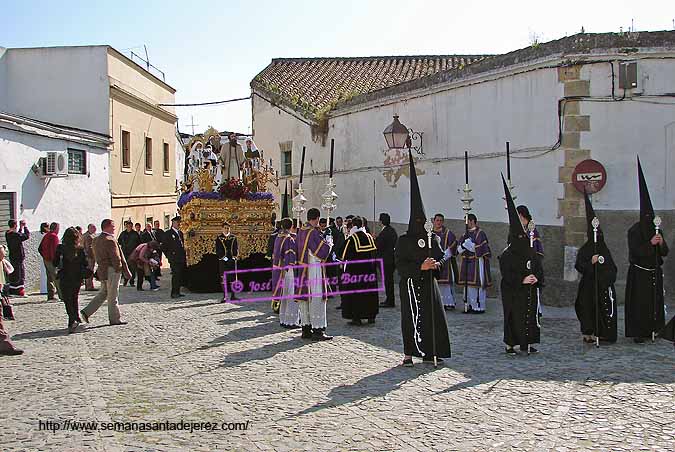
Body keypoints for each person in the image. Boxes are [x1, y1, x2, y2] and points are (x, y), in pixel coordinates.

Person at [396, 150, 451, 367]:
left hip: (429, 284)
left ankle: (430, 352)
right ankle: (409, 353)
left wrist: (435, 264)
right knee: (409, 319)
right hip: (410, 284)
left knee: (431, 319)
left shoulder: (432, 239)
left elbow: (443, 258)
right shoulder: (404, 240)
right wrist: (420, 265)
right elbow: (400, 265)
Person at [499, 175, 544, 355]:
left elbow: (538, 267)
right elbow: (507, 274)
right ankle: (511, 342)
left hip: (529, 289)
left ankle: (529, 341)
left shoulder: (531, 251)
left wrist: (535, 277)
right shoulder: (507, 255)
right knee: (513, 315)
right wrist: (522, 278)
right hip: (513, 290)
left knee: (529, 314)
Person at [625, 157, 669, 343]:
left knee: (655, 303)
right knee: (640, 305)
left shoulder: (656, 229)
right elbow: (635, 252)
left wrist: (660, 243)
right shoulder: (634, 231)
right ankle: (640, 332)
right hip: (640, 274)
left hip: (654, 273)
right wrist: (650, 243)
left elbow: (665, 252)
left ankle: (655, 328)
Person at [574, 190, 618, 344]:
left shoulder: (604, 248)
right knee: (585, 307)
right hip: (588, 284)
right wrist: (590, 263)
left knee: (602, 308)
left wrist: (606, 278)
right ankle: (588, 332)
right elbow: (579, 265)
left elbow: (612, 267)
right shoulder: (586, 249)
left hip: (602, 285)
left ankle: (602, 332)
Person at [80, 219, 130, 326]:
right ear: (106, 227)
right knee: (112, 295)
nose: (114, 227)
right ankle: (114, 318)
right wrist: (120, 269)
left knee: (103, 293)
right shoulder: (110, 240)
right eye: (112, 225)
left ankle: (86, 311)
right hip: (112, 270)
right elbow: (116, 258)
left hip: (102, 270)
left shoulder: (97, 240)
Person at [295, 207, 333, 341]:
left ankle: (306, 329)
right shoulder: (313, 233)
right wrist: (329, 242)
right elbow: (321, 253)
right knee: (316, 298)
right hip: (314, 268)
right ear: (316, 218)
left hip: (303, 268)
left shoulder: (301, 231)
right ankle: (318, 330)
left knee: (305, 298)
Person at [340, 216, 380, 325]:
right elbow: (375, 253)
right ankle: (371, 316)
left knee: (356, 295)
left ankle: (356, 317)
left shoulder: (351, 239)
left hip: (355, 273)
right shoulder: (370, 237)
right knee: (369, 294)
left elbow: (342, 255)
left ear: (353, 225)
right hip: (370, 271)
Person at [54, 227, 90, 333]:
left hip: (64, 277)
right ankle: (75, 317)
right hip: (77, 277)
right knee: (74, 297)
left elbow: (55, 262)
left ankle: (72, 318)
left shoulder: (60, 248)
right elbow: (85, 263)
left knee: (67, 299)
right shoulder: (80, 249)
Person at [457, 214, 492, 313]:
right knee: (468, 285)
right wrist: (463, 246)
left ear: (472, 221)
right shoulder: (465, 234)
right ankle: (470, 305)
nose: (465, 224)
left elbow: (483, 249)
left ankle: (479, 306)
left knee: (477, 284)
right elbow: (459, 249)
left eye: (466, 221)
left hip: (477, 262)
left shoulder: (480, 233)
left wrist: (470, 245)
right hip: (467, 262)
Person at [272, 218, 299, 328]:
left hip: (278, 269)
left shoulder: (278, 237)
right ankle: (291, 321)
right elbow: (290, 256)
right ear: (291, 226)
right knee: (291, 295)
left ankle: (283, 319)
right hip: (288, 270)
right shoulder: (288, 239)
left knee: (283, 295)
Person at [432, 214, 458, 311]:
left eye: (441, 220)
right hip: (433, 261)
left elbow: (454, 245)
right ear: (434, 221)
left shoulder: (448, 233)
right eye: (437, 220)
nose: (439, 222)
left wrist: (445, 255)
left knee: (445, 284)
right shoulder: (430, 233)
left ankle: (448, 303)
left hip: (445, 262)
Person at [375, 213, 397, 308]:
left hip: (385, 260)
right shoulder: (392, 231)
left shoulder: (384, 233)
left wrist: (375, 239)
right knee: (389, 281)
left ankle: (390, 301)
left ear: (381, 221)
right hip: (391, 259)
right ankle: (389, 299)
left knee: (388, 281)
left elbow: (379, 246)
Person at [163, 216, 187, 299]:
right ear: (173, 223)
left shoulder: (180, 233)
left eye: (179, 223)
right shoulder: (168, 233)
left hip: (180, 257)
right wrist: (169, 256)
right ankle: (174, 292)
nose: (179, 224)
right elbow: (164, 247)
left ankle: (178, 291)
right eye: (177, 223)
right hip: (174, 258)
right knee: (175, 275)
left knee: (179, 275)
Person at [5, 219, 30, 297]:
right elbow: (26, 236)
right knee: (20, 274)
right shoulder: (15, 235)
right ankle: (19, 292)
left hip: (12, 256)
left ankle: (12, 291)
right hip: (18, 257)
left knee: (14, 273)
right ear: (15, 225)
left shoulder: (8, 234)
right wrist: (24, 227)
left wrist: (20, 228)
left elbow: (19, 235)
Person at [216, 221, 239, 302]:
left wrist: (234, 258)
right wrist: (224, 258)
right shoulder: (219, 238)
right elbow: (218, 250)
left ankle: (233, 295)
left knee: (232, 279)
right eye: (225, 228)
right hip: (223, 261)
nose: (226, 229)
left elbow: (236, 248)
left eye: (228, 228)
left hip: (232, 261)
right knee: (224, 279)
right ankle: (225, 296)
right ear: (222, 228)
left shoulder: (233, 237)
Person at [39, 222, 61, 301]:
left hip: (46, 259)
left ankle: (51, 295)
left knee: (49, 278)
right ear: (55, 228)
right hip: (52, 260)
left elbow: (40, 248)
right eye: (58, 228)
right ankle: (62, 296)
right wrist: (56, 261)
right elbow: (55, 250)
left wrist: (44, 256)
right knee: (57, 278)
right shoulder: (54, 236)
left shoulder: (46, 235)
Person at [118, 221, 141, 286]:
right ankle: (125, 280)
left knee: (133, 268)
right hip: (124, 253)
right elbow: (119, 241)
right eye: (127, 226)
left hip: (133, 253)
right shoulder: (123, 233)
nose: (129, 227)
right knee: (125, 267)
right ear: (126, 226)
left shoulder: (135, 234)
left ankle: (131, 281)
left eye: (130, 226)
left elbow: (139, 243)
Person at [82, 224, 97, 291]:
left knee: (88, 271)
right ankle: (89, 286)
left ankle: (88, 285)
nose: (95, 229)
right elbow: (89, 248)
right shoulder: (89, 237)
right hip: (89, 256)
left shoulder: (85, 235)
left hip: (85, 256)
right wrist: (93, 256)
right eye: (93, 228)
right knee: (90, 271)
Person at [39, 222, 49, 295]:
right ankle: (45, 289)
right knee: (45, 273)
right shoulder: (45, 236)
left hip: (43, 256)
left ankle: (44, 289)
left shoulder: (42, 235)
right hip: (45, 256)